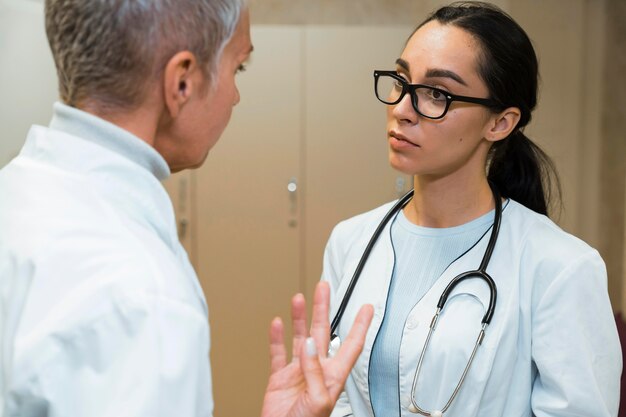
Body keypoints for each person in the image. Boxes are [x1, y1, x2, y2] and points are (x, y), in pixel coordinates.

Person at [0, 1, 373, 416]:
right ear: (182, 82)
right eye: (238, 68)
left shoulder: (17, 195)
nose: (235, 94)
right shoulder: (144, 298)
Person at [322, 2, 621, 417]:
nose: (402, 110)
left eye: (437, 94)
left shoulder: (561, 269)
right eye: (402, 81)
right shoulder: (350, 241)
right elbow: (335, 390)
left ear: (500, 123)